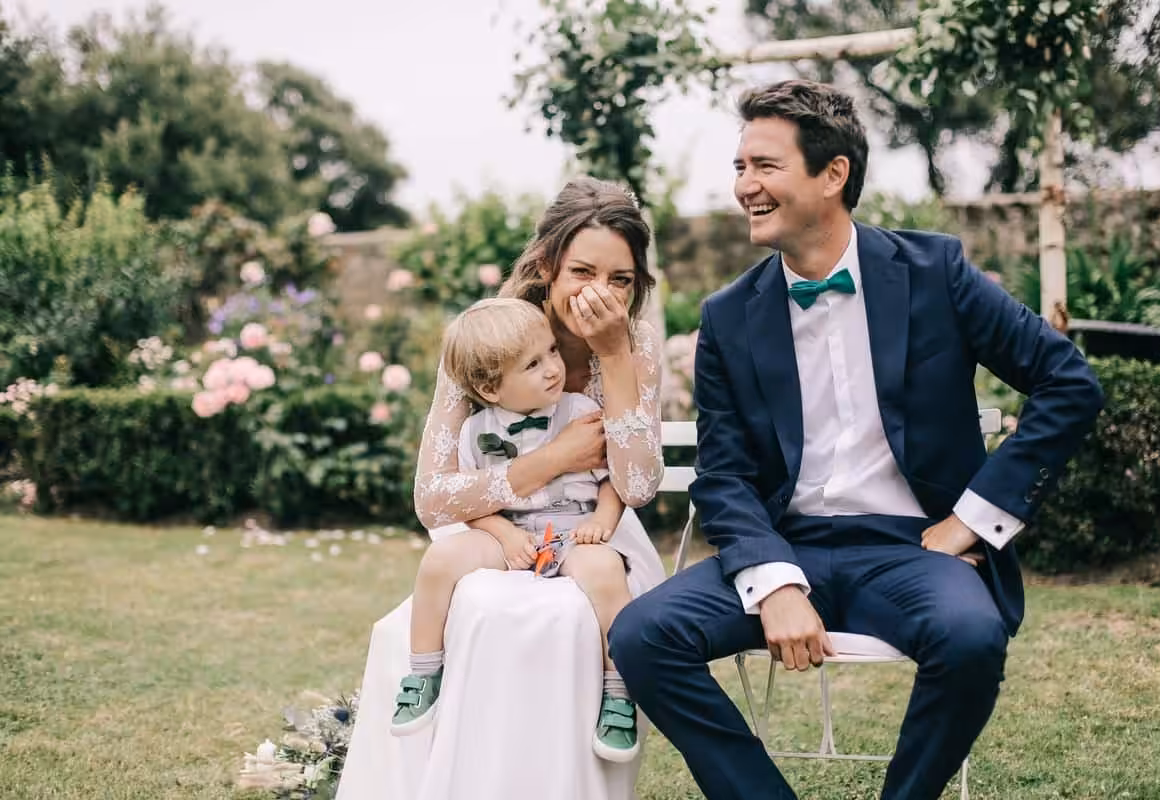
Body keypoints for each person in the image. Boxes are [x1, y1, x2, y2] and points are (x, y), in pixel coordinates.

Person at [608, 79, 1105, 800]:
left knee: (971, 637)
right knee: (642, 636)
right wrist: (773, 581)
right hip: (786, 544)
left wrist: (973, 521)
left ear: (833, 174)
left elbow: (1069, 383)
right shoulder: (728, 317)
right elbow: (723, 475)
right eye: (740, 167)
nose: (744, 185)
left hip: (911, 548)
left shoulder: (936, 273)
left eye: (764, 166)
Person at [336, 177, 666, 800]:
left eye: (620, 279)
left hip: (595, 529)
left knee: (573, 612)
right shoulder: (486, 340)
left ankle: (590, 746)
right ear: (547, 266)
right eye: (583, 271)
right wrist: (550, 459)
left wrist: (615, 357)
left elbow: (640, 486)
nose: (601, 292)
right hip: (501, 528)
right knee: (485, 607)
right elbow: (433, 497)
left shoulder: (635, 342)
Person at [389, 297, 640, 763]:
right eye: (532, 364)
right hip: (509, 531)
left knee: (606, 573)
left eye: (550, 351)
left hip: (573, 526)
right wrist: (504, 536)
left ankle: (619, 693)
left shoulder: (581, 409)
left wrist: (601, 522)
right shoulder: (474, 430)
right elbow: (470, 502)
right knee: (439, 560)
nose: (552, 368)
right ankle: (423, 671)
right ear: (489, 387)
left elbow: (613, 481)